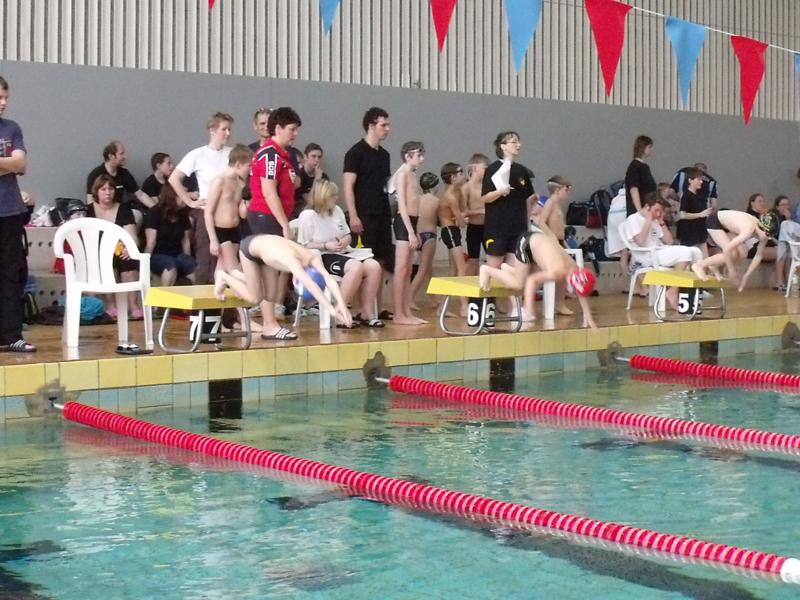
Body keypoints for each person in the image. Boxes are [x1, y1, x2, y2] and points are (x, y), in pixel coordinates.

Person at [214, 235, 353, 332]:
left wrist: (341, 304)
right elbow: (311, 285)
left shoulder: (311, 256)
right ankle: (225, 277)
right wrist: (332, 311)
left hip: (266, 246)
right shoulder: (292, 261)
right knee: (255, 297)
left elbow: (328, 279)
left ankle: (237, 275)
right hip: (250, 248)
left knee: (269, 296)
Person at [297, 180, 384, 328]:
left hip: (343, 252)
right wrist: (325, 245)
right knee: (355, 267)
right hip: (322, 255)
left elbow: (347, 235)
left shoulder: (336, 210)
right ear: (323, 197)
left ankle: (366, 312)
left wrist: (344, 241)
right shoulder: (308, 215)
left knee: (373, 266)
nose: (336, 198)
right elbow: (303, 245)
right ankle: (340, 312)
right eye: (333, 195)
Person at [248, 106, 302, 339]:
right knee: (269, 270)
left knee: (272, 269)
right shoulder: (270, 154)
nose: (295, 134)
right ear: (278, 128)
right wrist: (284, 225)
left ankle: (269, 322)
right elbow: (269, 192)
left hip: (271, 217)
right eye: (292, 129)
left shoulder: (282, 154)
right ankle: (268, 323)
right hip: (266, 217)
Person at [478, 228, 597, 329]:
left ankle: (508, 270)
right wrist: (529, 310)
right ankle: (487, 270)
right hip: (527, 244)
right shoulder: (557, 272)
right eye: (575, 292)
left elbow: (582, 292)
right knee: (519, 284)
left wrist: (590, 319)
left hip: (539, 243)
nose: (574, 295)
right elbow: (532, 280)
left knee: (524, 280)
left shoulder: (575, 270)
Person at [169, 112, 234, 284]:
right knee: (205, 257)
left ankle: (224, 299)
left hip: (229, 213)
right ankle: (203, 299)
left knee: (227, 260)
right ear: (212, 130)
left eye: (229, 129)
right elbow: (174, 178)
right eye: (224, 129)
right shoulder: (198, 154)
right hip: (206, 211)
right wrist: (189, 201)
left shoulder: (232, 154)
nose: (228, 133)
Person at [481, 131, 536, 311]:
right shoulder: (492, 169)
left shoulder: (521, 171)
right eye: (513, 142)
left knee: (515, 269)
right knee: (494, 265)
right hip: (497, 227)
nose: (518, 145)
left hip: (517, 228)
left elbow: (528, 199)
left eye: (518, 141)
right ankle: (487, 307)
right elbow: (485, 198)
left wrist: (527, 225)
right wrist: (499, 192)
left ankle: (516, 309)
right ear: (503, 146)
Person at [0, 76, 35, 352]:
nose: (3, 103)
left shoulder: (12, 128)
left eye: (6, 98)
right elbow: (13, 162)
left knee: (11, 274)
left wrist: (13, 164)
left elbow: (21, 164)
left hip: (10, 212)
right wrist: (8, 163)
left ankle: (11, 335)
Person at [620, 194, 702, 309]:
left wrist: (661, 222)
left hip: (660, 251)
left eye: (660, 211)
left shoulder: (656, 220)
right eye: (656, 210)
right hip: (646, 255)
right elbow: (640, 242)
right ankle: (673, 291)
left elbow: (669, 241)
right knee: (685, 253)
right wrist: (648, 221)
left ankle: (693, 291)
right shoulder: (633, 219)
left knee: (695, 251)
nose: (658, 214)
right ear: (647, 207)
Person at [343, 107, 394, 282]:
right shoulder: (355, 153)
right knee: (364, 260)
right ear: (371, 126)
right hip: (364, 215)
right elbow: (348, 186)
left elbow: (385, 184)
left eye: (388, 125)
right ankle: (360, 300)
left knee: (381, 260)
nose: (387, 129)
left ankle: (376, 300)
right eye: (383, 125)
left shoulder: (385, 155)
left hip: (383, 214)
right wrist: (353, 216)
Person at [86, 173, 144, 319]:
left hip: (119, 248)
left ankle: (134, 305)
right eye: (103, 189)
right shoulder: (88, 210)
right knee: (106, 260)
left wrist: (129, 248)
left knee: (129, 259)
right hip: (97, 250)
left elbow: (132, 236)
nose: (108, 193)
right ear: (96, 192)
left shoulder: (123, 209)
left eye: (110, 189)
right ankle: (111, 305)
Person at [391, 141, 427, 325]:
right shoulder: (402, 175)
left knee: (408, 270)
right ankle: (398, 314)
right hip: (403, 222)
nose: (422, 159)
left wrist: (416, 231)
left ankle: (406, 311)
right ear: (407, 156)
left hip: (412, 222)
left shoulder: (413, 174)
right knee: (401, 269)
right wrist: (411, 232)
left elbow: (415, 207)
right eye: (419, 155)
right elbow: (403, 206)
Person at [692, 209, 770, 292]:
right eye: (767, 234)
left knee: (743, 253)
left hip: (729, 227)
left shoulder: (764, 234)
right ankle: (699, 265)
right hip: (715, 221)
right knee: (733, 253)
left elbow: (758, 256)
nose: (768, 238)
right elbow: (727, 249)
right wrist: (731, 270)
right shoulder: (749, 229)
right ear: (761, 228)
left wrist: (746, 276)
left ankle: (714, 264)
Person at [205, 144, 253, 275]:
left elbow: (243, 214)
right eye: (249, 166)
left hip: (235, 229)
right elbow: (208, 212)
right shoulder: (219, 181)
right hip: (220, 229)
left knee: (222, 268)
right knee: (234, 270)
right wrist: (213, 239)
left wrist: (248, 198)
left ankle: (219, 287)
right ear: (238, 165)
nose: (250, 170)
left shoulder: (240, 183)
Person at [86, 140, 155, 227]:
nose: (125, 156)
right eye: (121, 153)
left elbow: (140, 195)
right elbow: (90, 200)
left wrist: (157, 210)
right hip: (101, 214)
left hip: (119, 211)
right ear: (111, 156)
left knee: (137, 216)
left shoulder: (124, 173)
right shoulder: (95, 174)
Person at [537, 175, 575, 316]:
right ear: (558, 189)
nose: (568, 193)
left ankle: (560, 302)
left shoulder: (557, 204)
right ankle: (561, 300)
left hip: (560, 241)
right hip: (553, 242)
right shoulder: (550, 203)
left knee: (563, 273)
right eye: (567, 189)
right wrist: (551, 237)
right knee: (566, 270)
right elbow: (541, 222)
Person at [143, 183, 195, 287]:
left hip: (177, 254)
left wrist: (188, 259)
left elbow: (185, 241)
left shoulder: (183, 213)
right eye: (183, 194)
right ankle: (164, 297)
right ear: (173, 196)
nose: (186, 197)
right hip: (158, 255)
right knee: (170, 267)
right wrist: (144, 266)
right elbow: (151, 242)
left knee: (193, 266)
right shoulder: (154, 212)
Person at [409, 172, 440, 310]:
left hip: (418, 236)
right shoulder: (436, 201)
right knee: (422, 270)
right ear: (434, 186)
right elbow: (441, 220)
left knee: (428, 270)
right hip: (429, 236)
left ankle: (434, 299)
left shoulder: (418, 199)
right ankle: (409, 298)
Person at [439, 162, 468, 282]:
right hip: (449, 231)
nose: (464, 175)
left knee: (454, 270)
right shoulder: (450, 196)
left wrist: (463, 217)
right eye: (461, 173)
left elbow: (464, 210)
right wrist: (463, 219)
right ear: (453, 177)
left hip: (454, 231)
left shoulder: (458, 191)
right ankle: (462, 295)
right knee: (462, 268)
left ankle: (445, 295)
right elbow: (462, 223)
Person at [675, 167, 711, 256]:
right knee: (691, 257)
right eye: (698, 179)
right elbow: (682, 215)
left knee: (704, 256)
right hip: (689, 232)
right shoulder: (686, 196)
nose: (701, 182)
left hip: (700, 231)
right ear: (690, 180)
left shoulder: (699, 196)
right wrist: (700, 214)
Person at [464, 153, 489, 275]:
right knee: (473, 260)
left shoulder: (487, 186)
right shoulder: (466, 187)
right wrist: (481, 211)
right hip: (473, 228)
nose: (487, 171)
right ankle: (469, 286)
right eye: (484, 168)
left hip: (488, 227)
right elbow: (463, 212)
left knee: (493, 259)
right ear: (474, 168)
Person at [294, 142, 329, 217]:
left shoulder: (323, 176)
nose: (317, 160)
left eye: (319, 157)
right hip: (303, 213)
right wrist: (317, 179)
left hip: (321, 211)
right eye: (313, 156)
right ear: (305, 157)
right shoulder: (299, 176)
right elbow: (309, 202)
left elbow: (328, 199)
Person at [624, 135, 656, 217]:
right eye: (649, 147)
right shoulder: (634, 167)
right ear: (642, 148)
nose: (651, 149)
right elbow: (634, 189)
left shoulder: (645, 167)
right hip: (639, 211)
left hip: (647, 208)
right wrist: (639, 210)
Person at [774, 195, 796, 291]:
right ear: (777, 207)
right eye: (783, 205)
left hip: (787, 244)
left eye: (787, 204)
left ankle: (788, 280)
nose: (786, 207)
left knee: (787, 251)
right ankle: (780, 281)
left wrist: (788, 218)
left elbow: (793, 234)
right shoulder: (774, 218)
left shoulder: (791, 217)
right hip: (774, 243)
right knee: (783, 250)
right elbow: (771, 234)